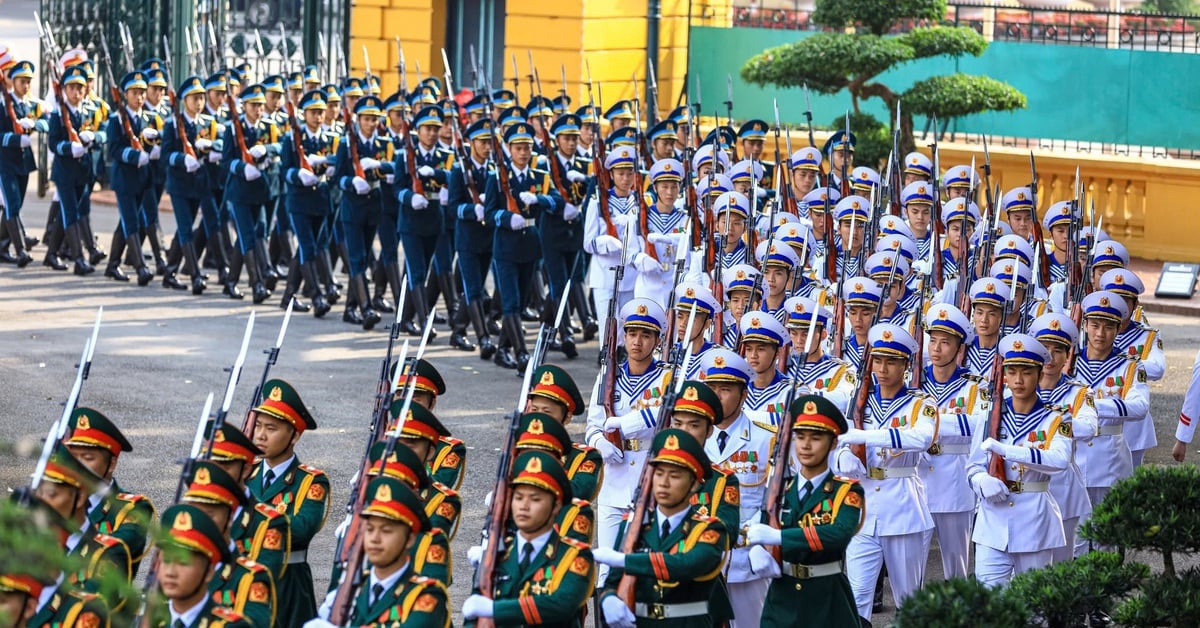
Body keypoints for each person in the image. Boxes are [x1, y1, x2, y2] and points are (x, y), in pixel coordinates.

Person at [831, 323, 936, 626]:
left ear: (905, 365)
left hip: (904, 510)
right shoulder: (855, 402)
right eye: (878, 360)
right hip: (862, 511)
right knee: (857, 597)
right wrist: (843, 458)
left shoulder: (920, 403)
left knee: (908, 600)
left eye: (892, 361)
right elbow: (835, 444)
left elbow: (922, 438)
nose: (883, 368)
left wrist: (866, 438)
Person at [745, 395, 865, 628]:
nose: (806, 446)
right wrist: (756, 550)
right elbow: (759, 529)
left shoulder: (846, 491)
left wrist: (779, 538)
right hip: (782, 600)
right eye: (800, 437)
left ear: (832, 443)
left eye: (816, 438)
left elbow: (838, 534)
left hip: (828, 600)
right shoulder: (779, 491)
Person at [594, 429, 728, 628]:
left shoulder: (710, 529)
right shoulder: (633, 525)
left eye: (674, 476)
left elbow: (686, 564)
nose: (664, 483)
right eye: (659, 474)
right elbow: (612, 582)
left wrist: (626, 560)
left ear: (693, 485)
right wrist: (608, 599)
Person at [968, 334, 1071, 587]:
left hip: (1034, 522)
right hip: (993, 523)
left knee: (1033, 608)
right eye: (1011, 372)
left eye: (1025, 372)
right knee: (989, 603)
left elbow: (1059, 461)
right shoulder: (990, 414)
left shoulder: (1056, 419)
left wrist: (1008, 451)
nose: (1018, 380)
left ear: (1038, 374)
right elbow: (972, 466)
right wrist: (981, 482)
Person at [586, 298, 672, 582]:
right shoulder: (608, 377)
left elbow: (667, 412)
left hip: (652, 480)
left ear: (658, 340)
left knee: (646, 572)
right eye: (632, 333)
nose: (637, 342)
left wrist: (626, 425)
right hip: (614, 482)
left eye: (646, 335)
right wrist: (601, 444)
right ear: (623, 336)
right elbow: (593, 427)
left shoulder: (667, 378)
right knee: (607, 572)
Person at [461, 450, 595, 627]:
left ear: (556, 506)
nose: (523, 506)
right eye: (518, 497)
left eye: (535, 499)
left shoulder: (575, 557)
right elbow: (474, 614)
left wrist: (494, 610)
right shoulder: (497, 553)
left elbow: (562, 605)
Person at [308, 477, 450, 628]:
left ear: (409, 539)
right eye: (369, 529)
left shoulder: (426, 597)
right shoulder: (353, 588)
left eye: (386, 531)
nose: (375, 539)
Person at [699, 348, 775, 628]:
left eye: (726, 389)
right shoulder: (690, 436)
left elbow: (773, 501)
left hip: (747, 559)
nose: (717, 396)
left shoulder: (766, 438)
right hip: (700, 558)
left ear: (744, 395)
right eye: (712, 389)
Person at [246, 379, 330, 626]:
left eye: (271, 429)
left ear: (294, 435)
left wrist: (244, 512)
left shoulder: (310, 482)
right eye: (258, 426)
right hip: (243, 580)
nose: (260, 435)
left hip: (287, 584)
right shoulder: (243, 472)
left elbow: (300, 530)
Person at [485, 121, 565, 371]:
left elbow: (558, 202)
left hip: (530, 245)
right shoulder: (498, 177)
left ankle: (502, 350)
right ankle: (521, 355)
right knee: (510, 301)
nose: (523, 152)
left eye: (527, 147)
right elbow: (489, 212)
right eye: (518, 147)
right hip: (506, 246)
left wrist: (539, 198)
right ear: (509, 148)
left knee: (519, 304)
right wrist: (508, 218)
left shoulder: (539, 175)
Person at [915, 304, 984, 580]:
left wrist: (929, 425)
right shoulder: (914, 383)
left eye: (945, 343)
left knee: (955, 566)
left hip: (955, 483)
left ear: (959, 348)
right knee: (912, 565)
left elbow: (978, 425)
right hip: (918, 482)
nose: (936, 348)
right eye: (933, 340)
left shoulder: (974, 386)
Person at [1069, 292, 1148, 514]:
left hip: (1110, 459)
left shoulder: (1130, 367)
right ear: (1084, 326)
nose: (1100, 333)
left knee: (1108, 536)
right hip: (1074, 455)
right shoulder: (1069, 365)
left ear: (1117, 329)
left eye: (1108, 327)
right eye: (1095, 325)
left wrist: (1091, 404)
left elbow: (1140, 407)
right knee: (1076, 539)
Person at [1030, 312, 1097, 561]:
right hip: (1026, 486)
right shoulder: (1011, 389)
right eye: (1044, 349)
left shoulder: (1079, 393)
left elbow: (1088, 427)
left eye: (1058, 350)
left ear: (1067, 356)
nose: (1050, 356)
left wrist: (1049, 424)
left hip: (1063, 485)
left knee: (1061, 562)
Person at [180, 462, 277, 627]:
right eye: (195, 512)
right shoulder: (175, 567)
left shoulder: (250, 578)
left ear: (230, 516)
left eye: (209, 514)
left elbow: (254, 623)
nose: (200, 521)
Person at [62, 407, 156, 578]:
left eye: (88, 458)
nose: (78, 465)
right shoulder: (56, 499)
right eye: (73, 457)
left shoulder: (133, 508)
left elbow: (109, 554)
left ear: (112, 464)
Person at [334, 95, 394, 330]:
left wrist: (380, 166)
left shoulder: (383, 143)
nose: (371, 124)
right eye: (367, 119)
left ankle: (350, 308)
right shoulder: (346, 144)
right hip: (352, 208)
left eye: (374, 120)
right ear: (358, 119)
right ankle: (366, 307)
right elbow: (339, 177)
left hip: (374, 206)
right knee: (357, 257)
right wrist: (351, 183)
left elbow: (395, 166)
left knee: (365, 253)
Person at [279, 89, 337, 317]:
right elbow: (285, 169)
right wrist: (298, 175)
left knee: (307, 247)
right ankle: (316, 296)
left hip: (321, 199)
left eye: (321, 112)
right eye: (313, 112)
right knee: (307, 246)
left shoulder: (331, 138)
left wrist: (328, 163)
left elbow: (339, 161)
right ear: (304, 113)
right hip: (299, 200)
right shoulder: (292, 139)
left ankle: (288, 295)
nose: (318, 116)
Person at [161, 75, 222, 295]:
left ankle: (170, 272)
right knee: (186, 227)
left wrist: (213, 147)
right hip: (179, 184)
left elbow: (222, 142)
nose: (199, 103)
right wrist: (181, 159)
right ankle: (195, 275)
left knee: (183, 228)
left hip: (199, 184)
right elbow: (165, 155)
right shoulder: (172, 124)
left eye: (201, 98)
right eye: (194, 98)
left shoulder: (208, 123)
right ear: (184, 100)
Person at [145, 505, 252, 627]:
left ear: (209, 572)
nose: (170, 572)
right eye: (166, 561)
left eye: (183, 563)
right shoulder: (151, 620)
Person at [1101, 268, 1164, 467]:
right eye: (1113, 299)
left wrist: (1120, 364)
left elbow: (1157, 369)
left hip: (1133, 428)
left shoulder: (1147, 336)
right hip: (1099, 424)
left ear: (1135, 305)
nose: (1118, 306)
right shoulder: (1090, 332)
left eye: (1124, 301)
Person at [447, 118, 499, 357]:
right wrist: (471, 210)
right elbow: (453, 206)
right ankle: (483, 339)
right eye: (482, 142)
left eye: (490, 142)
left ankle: (458, 331)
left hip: (487, 237)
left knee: (476, 285)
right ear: (471, 142)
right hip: (467, 237)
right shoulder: (459, 170)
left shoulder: (494, 170)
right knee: (473, 288)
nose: (487, 147)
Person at [103, 70, 157, 286]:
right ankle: (140, 267)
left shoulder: (150, 118)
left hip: (142, 178)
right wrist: (135, 155)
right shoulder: (117, 120)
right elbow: (114, 149)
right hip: (124, 179)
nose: (140, 97)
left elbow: (156, 143)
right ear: (126, 94)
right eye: (135, 93)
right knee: (131, 220)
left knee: (127, 220)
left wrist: (154, 147)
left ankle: (112, 264)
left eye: (142, 92)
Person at [0, 59, 42, 268]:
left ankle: (2, 245)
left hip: (24, 162)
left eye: (28, 81)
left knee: (15, 204)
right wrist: (15, 139)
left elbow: (48, 118)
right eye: (21, 81)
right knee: (12, 204)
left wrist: (35, 123)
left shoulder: (31, 104)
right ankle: (21, 250)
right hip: (5, 161)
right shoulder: (2, 104)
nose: (25, 86)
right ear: (13, 82)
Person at [784, 295, 855, 414]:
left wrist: (806, 396)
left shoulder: (840, 369)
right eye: (794, 333)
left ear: (823, 335)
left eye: (806, 334)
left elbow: (845, 398)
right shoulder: (784, 367)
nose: (799, 340)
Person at [740, 312, 793, 427]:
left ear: (778, 352)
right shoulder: (736, 389)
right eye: (749, 349)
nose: (753, 355)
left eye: (761, 349)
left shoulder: (791, 392)